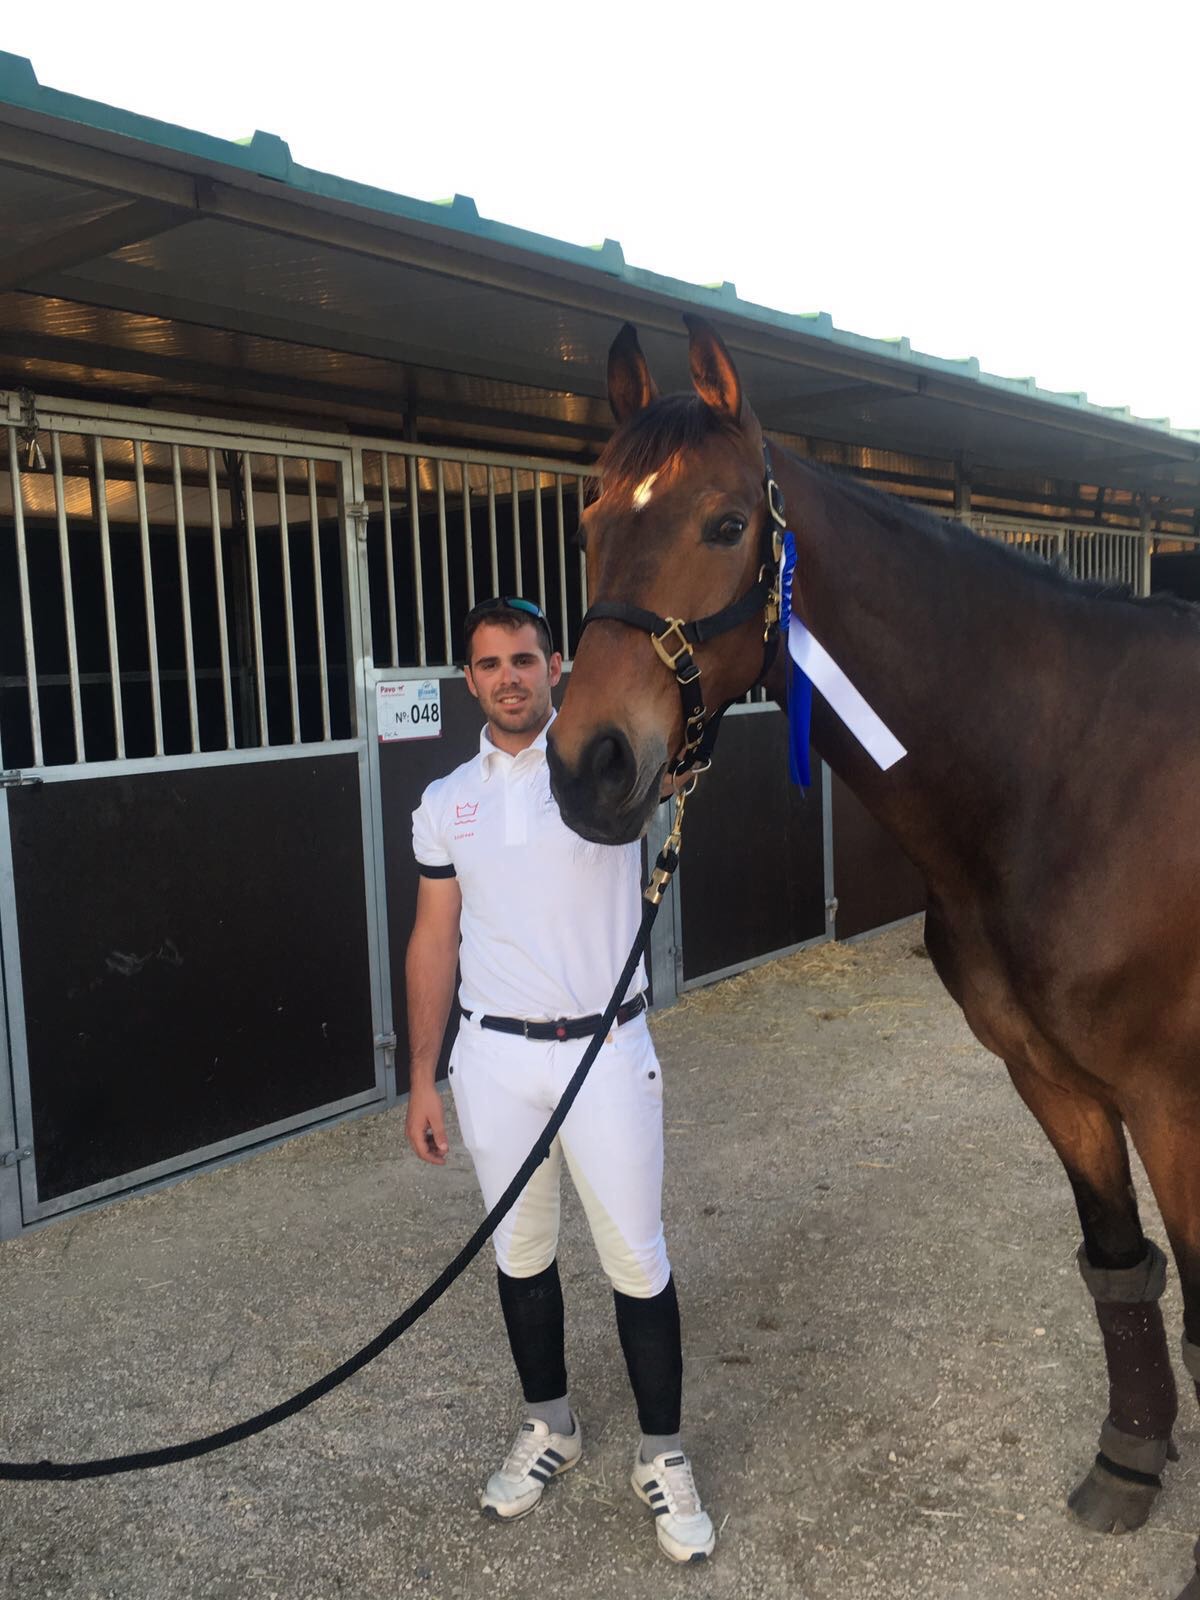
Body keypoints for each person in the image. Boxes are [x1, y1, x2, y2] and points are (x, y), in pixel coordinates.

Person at [404, 596, 715, 1565]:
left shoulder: (606, 776)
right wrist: (422, 1077)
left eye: (526, 659)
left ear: (555, 671)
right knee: (521, 1258)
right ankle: (551, 1426)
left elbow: (687, 728)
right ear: (469, 680)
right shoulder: (445, 799)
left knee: (637, 1259)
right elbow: (433, 938)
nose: (509, 676)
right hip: (493, 1058)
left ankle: (661, 1455)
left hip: (605, 1051)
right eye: (490, 662)